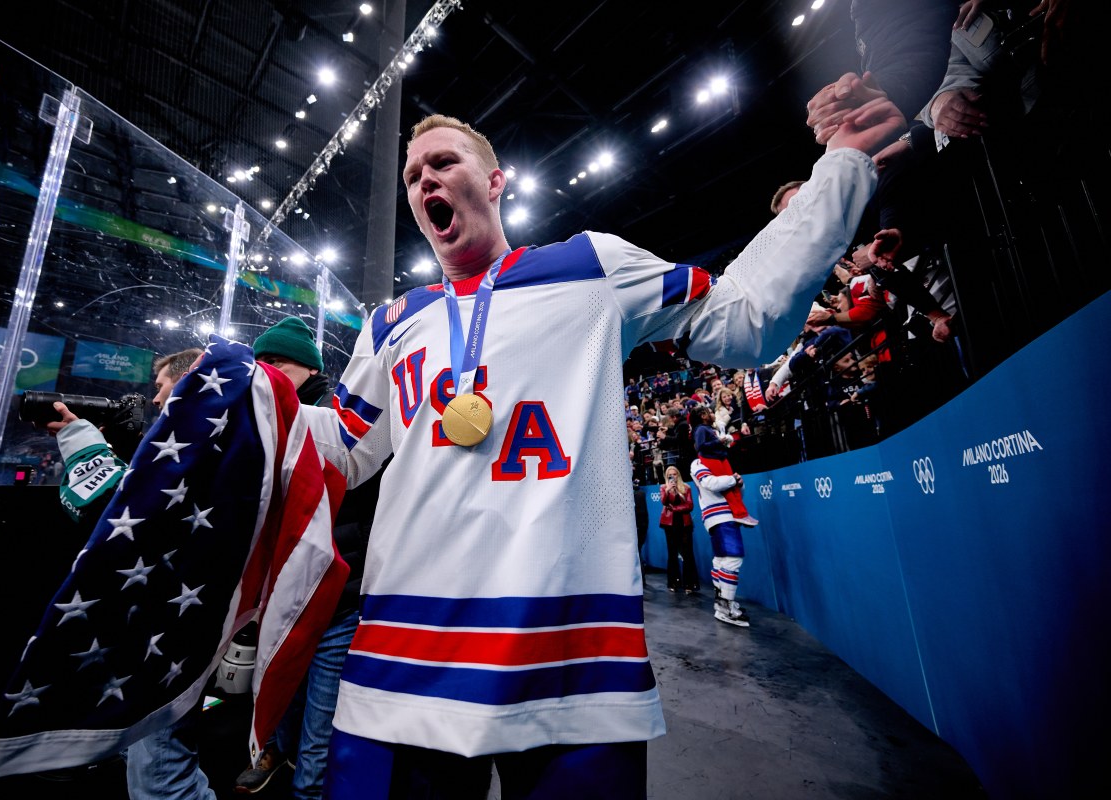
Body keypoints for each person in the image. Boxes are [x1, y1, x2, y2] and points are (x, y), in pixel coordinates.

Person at [293, 105, 898, 797]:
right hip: (406, 659)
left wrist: (839, 169)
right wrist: (255, 403)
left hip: (571, 659)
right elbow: (343, 448)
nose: (424, 179)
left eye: (444, 162)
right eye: (412, 175)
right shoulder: (390, 322)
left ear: (495, 182)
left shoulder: (589, 266)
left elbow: (743, 319)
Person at [42, 347, 212, 800]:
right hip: (164, 617)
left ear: (189, 380)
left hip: (172, 624)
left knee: (161, 779)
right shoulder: (198, 436)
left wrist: (83, 446)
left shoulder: (208, 436)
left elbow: (129, 515)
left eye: (160, 386)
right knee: (150, 755)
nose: (153, 399)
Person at [232, 316, 377, 800]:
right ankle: (275, 752)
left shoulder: (340, 420)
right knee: (281, 691)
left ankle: (308, 788)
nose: (267, 371)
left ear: (310, 368)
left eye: (278, 362)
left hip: (337, 593)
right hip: (285, 590)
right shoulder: (265, 418)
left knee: (320, 725)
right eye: (261, 363)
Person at [690, 455, 751, 628]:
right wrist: (732, 479)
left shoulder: (721, 463)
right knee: (732, 559)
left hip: (725, 515)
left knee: (722, 560)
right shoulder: (699, 462)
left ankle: (722, 604)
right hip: (719, 516)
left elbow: (736, 494)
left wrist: (739, 483)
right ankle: (726, 607)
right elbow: (710, 483)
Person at [659, 466, 698, 594]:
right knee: (672, 553)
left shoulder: (686, 488)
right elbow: (664, 502)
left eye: (674, 474)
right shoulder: (663, 488)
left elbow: (690, 505)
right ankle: (673, 583)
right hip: (669, 524)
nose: (672, 477)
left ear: (678, 475)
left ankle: (689, 584)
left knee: (687, 553)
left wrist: (675, 509)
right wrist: (668, 491)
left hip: (684, 523)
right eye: (669, 475)